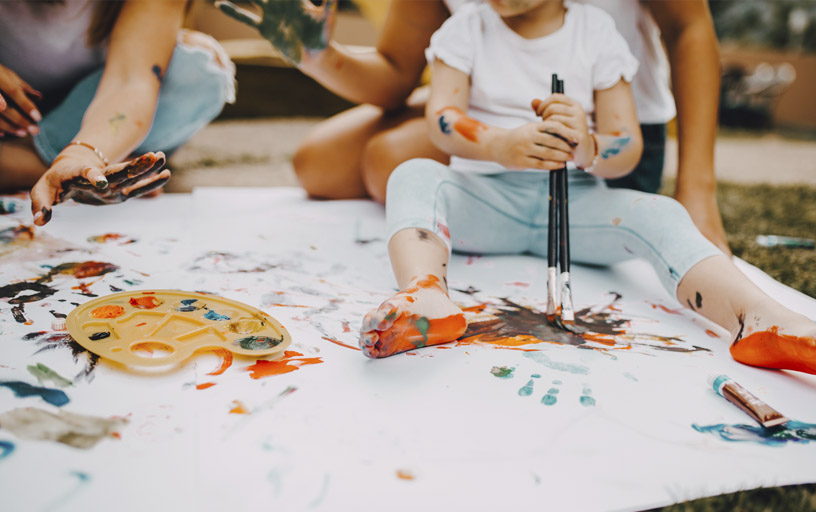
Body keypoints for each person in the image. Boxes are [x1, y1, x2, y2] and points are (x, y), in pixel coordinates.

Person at [357, 0, 816, 380]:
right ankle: (425, 295)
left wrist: (588, 143)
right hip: (488, 200)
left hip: (580, 205)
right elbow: (443, 119)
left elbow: (627, 146)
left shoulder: (595, 33)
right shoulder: (463, 28)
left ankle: (760, 320)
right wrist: (499, 144)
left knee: (661, 213)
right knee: (413, 174)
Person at [216, 0, 729, 255]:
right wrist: (316, 54)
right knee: (317, 164)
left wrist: (697, 192)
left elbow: (690, 29)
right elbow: (396, 71)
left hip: (597, 137)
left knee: (386, 160)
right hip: (488, 104)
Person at [0, 0, 236, 226]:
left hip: (88, 117)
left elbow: (132, 81)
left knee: (198, 68)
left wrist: (83, 156)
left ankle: (26, 164)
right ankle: (33, 168)